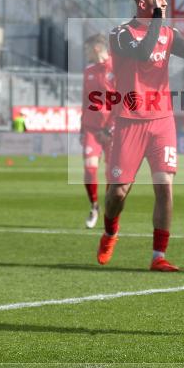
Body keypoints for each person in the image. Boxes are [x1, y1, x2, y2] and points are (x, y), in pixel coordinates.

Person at [96, 0, 184, 272]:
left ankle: (159, 256)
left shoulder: (167, 33)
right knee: (118, 193)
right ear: (143, 4)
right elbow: (144, 52)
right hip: (128, 122)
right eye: (158, 0)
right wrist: (158, 20)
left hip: (161, 122)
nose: (164, 4)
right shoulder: (121, 34)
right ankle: (110, 231)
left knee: (165, 188)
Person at [81, 34, 115, 229]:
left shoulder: (116, 68)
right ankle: (94, 206)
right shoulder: (88, 71)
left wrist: (109, 128)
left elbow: (121, 101)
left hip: (111, 129)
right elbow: (85, 100)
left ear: (95, 48)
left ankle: (110, 210)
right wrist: (81, 127)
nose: (85, 53)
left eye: (87, 49)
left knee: (112, 174)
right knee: (89, 168)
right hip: (91, 128)